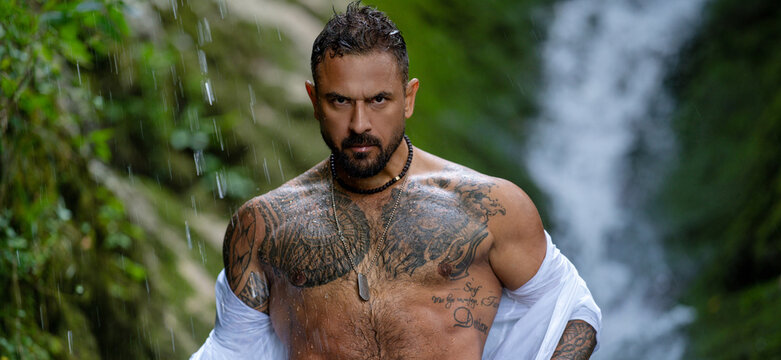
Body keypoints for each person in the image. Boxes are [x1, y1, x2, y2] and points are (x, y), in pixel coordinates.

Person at [192, 2, 601, 359]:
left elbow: (574, 313)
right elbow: (231, 351)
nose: (359, 124)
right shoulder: (263, 226)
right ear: (314, 101)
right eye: (340, 101)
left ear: (408, 98)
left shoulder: (489, 208)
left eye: (378, 100)